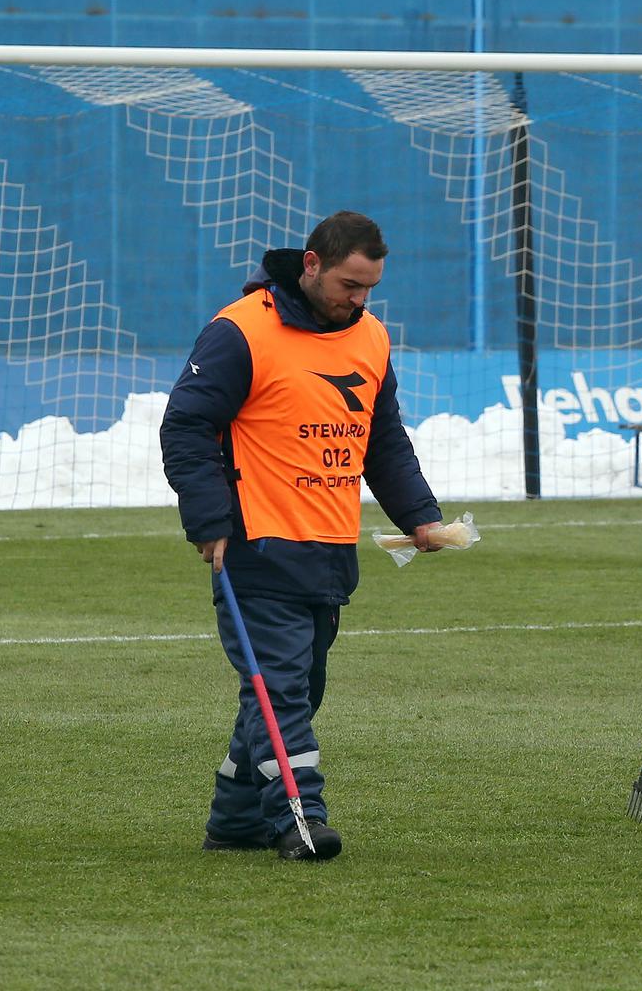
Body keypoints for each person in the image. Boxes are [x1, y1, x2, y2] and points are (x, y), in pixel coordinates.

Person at [161, 210, 443, 861]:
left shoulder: (370, 337)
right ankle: (299, 818)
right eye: (349, 284)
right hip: (256, 547)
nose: (359, 300)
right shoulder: (239, 331)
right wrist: (207, 520)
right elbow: (185, 429)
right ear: (311, 265)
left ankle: (234, 821)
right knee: (279, 689)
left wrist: (419, 516)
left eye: (369, 288)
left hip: (330, 549)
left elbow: (382, 440)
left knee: (294, 689)